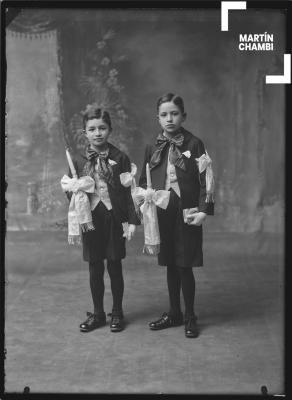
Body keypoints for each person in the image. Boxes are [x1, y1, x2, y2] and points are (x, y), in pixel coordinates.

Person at [138, 93, 214, 338]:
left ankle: (190, 315)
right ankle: (174, 312)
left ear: (183, 116)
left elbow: (206, 179)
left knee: (185, 265)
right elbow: (143, 180)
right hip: (163, 211)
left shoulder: (194, 144)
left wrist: (203, 210)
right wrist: (143, 203)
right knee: (170, 263)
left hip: (187, 211)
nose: (169, 118)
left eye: (174, 113)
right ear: (158, 118)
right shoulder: (153, 146)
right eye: (164, 114)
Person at [65, 105, 140, 333]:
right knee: (95, 267)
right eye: (92, 129)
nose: (97, 133)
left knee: (114, 265)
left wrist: (132, 221)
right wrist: (75, 189)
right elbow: (69, 188)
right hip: (90, 219)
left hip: (114, 218)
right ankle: (98, 313)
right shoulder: (78, 161)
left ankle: (117, 312)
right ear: (84, 132)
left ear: (110, 130)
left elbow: (129, 192)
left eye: (102, 128)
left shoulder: (120, 157)